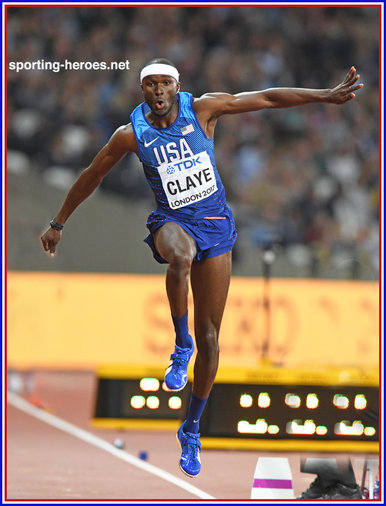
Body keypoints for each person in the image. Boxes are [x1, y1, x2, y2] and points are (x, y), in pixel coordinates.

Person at [41, 58, 363, 478]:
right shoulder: (130, 136)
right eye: (150, 84)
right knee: (180, 256)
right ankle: (179, 346)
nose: (157, 91)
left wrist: (324, 95)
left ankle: (191, 429)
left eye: (164, 84)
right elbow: (91, 175)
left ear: (176, 86)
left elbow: (265, 98)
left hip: (215, 225)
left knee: (212, 338)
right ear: (143, 91)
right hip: (171, 223)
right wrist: (57, 223)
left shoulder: (204, 109)